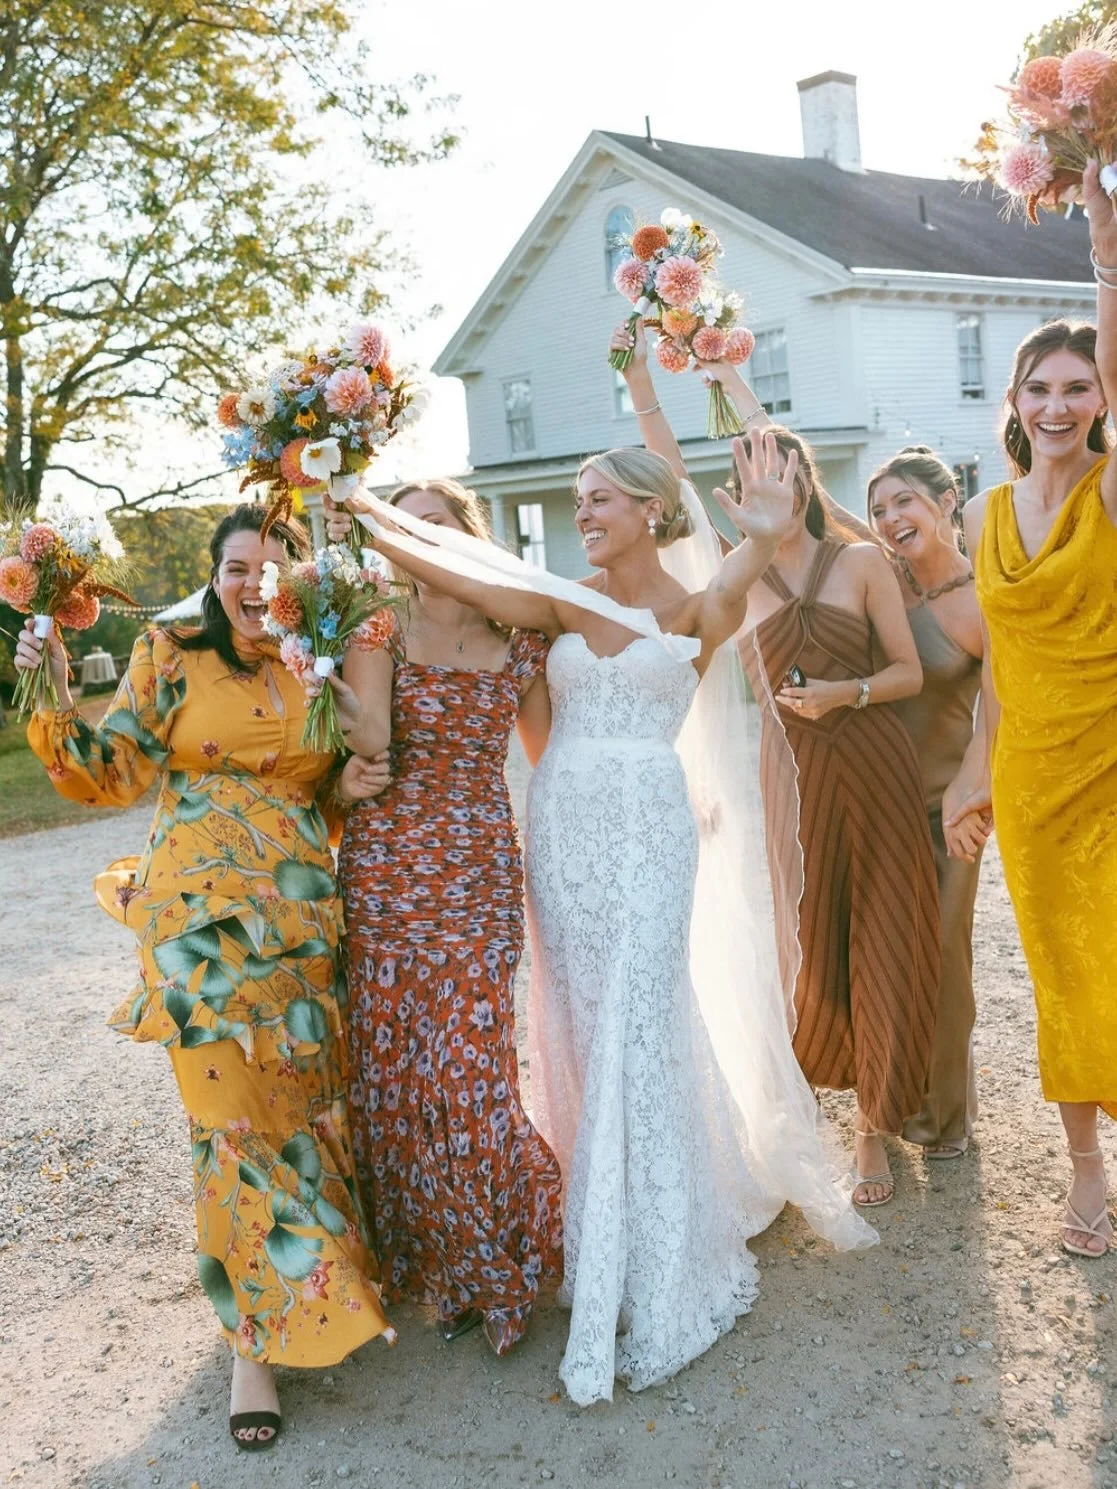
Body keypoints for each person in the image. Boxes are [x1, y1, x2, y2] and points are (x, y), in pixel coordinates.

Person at [333, 432, 874, 1407]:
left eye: (598, 499)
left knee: (640, 1018)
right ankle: (600, 1228)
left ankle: (655, 1257)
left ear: (649, 510)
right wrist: (355, 513)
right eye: (578, 498)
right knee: (580, 1027)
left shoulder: (694, 608)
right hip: (562, 833)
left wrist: (763, 526)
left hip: (649, 832)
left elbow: (753, 556)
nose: (582, 513)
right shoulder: (560, 599)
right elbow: (460, 567)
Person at [15, 505, 394, 1451]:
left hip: (304, 919)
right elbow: (109, 774)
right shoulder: (171, 649)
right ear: (212, 574)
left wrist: (340, 790)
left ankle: (329, 1282)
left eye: (274, 568)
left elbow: (321, 789)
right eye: (237, 567)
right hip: (197, 923)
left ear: (302, 579)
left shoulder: (320, 659)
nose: (256, 584)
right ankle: (253, 1346)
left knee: (301, 1108)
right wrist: (51, 694)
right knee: (228, 1121)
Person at [613, 322, 940, 1209]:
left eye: (784, 473)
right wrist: (642, 376)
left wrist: (848, 697)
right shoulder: (737, 573)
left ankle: (875, 1131)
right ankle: (827, 1101)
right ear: (738, 497)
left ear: (803, 482)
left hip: (872, 764)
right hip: (789, 777)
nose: (772, 488)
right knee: (808, 944)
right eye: (754, 478)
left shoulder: (860, 560)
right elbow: (668, 475)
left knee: (881, 937)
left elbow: (909, 672)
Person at [322, 479, 563, 1358]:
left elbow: (551, 759)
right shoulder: (377, 630)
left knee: (472, 1069)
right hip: (388, 875)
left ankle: (490, 1262)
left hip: (480, 875)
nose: (417, 544)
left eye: (434, 527)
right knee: (396, 1075)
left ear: (468, 534)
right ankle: (430, 1266)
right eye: (400, 530)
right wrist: (320, 657)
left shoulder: (523, 641)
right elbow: (374, 740)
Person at [945, 159, 1117, 1258]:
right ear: (1012, 403)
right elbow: (998, 663)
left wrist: (1101, 234)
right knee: (1059, 969)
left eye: (1078, 386)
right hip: (1034, 778)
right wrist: (973, 774)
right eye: (1039, 388)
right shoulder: (980, 514)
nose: (1057, 405)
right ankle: (1087, 1172)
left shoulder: (1110, 494)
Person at [867, 447, 989, 1160]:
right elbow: (806, 505)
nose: (888, 519)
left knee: (943, 955)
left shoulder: (985, 598)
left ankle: (943, 1116)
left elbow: (1001, 711)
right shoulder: (879, 577)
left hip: (950, 807)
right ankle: (887, 1101)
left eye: (903, 502)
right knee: (885, 957)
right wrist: (723, 370)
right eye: (879, 508)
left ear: (946, 501)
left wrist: (974, 792)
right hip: (877, 799)